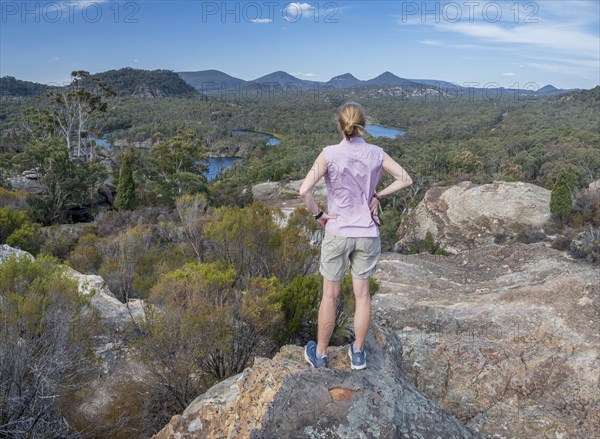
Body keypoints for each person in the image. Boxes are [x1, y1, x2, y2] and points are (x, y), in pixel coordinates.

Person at [299, 102, 413, 370]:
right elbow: (405, 178)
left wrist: (319, 215)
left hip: (338, 231)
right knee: (362, 296)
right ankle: (358, 353)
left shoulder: (328, 154)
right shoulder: (376, 153)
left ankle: (321, 354)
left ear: (340, 126)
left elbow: (304, 191)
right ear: (363, 125)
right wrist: (377, 195)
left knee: (330, 295)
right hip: (367, 233)